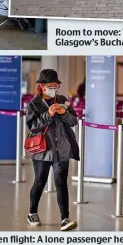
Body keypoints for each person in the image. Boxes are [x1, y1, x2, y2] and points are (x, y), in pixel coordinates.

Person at [26, 69, 79, 231]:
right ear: (41, 86)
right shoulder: (34, 104)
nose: (53, 88)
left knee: (61, 183)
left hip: (62, 149)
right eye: (50, 86)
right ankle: (32, 212)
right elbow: (32, 127)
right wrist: (48, 114)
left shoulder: (63, 100)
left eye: (55, 86)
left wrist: (63, 113)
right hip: (42, 150)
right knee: (39, 182)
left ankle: (65, 219)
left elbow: (73, 121)